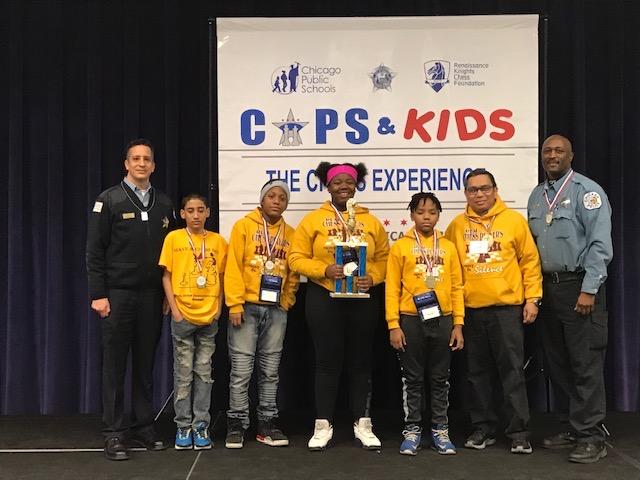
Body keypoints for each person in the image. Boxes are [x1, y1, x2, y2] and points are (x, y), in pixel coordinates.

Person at [289, 162, 389, 451]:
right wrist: (323, 270)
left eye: (349, 182)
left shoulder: (371, 222)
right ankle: (323, 424)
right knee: (326, 362)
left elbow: (385, 258)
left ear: (357, 185)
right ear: (328, 186)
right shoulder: (313, 220)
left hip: (362, 298)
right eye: (337, 182)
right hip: (324, 297)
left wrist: (374, 277)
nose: (344, 186)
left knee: (361, 362)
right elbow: (295, 258)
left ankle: (363, 424)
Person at [86, 138, 175, 460]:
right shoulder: (108, 200)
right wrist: (98, 294)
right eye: (135, 159)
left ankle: (143, 426)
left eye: (146, 159)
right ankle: (114, 432)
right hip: (117, 296)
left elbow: (171, 256)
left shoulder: (163, 203)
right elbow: (94, 251)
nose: (141, 163)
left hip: (151, 296)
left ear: (153, 165)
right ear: (126, 164)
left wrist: (167, 295)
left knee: (145, 365)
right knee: (114, 366)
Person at [527, 134, 613, 463]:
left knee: (584, 363)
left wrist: (590, 289)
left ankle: (592, 435)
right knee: (558, 363)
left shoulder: (587, 192)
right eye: (547, 151)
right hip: (548, 289)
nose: (552, 155)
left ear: (571, 155)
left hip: (579, 286)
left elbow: (599, 244)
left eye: (559, 151)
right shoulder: (537, 195)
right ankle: (575, 427)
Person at [445, 168, 542, 455]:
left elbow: (530, 262)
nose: (479, 194)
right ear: (466, 194)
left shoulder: (513, 221)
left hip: (507, 310)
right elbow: (449, 268)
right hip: (471, 311)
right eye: (473, 190)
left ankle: (519, 432)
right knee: (476, 374)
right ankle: (483, 427)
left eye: (485, 188)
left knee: (512, 371)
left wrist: (533, 299)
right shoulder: (456, 226)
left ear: (495, 190)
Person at [386, 192, 464, 456]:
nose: (426, 217)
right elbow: (391, 288)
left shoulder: (448, 247)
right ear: (411, 215)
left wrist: (458, 324)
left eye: (432, 212)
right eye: (420, 212)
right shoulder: (400, 247)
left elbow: (457, 286)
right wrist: (393, 324)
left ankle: (441, 429)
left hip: (443, 319)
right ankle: (413, 430)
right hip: (410, 319)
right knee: (413, 379)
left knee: (440, 378)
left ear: (439, 215)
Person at [224, 180, 299, 449]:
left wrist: (287, 300)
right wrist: (235, 304)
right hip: (246, 307)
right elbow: (233, 266)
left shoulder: (291, 234)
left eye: (282, 197)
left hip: (276, 310)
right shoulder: (243, 226)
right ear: (262, 199)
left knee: (270, 370)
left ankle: (267, 422)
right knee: (241, 370)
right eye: (271, 196)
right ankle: (237, 422)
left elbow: (293, 271)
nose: (277, 201)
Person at [159, 194, 227, 451]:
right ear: (182, 213)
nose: (196, 215)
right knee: (184, 373)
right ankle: (183, 425)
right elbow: (166, 276)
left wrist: (218, 308)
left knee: (204, 373)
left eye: (200, 210)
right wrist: (175, 310)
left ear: (208, 212)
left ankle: (201, 424)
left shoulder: (218, 241)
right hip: (183, 315)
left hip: (208, 315)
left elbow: (222, 276)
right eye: (190, 210)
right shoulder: (173, 238)